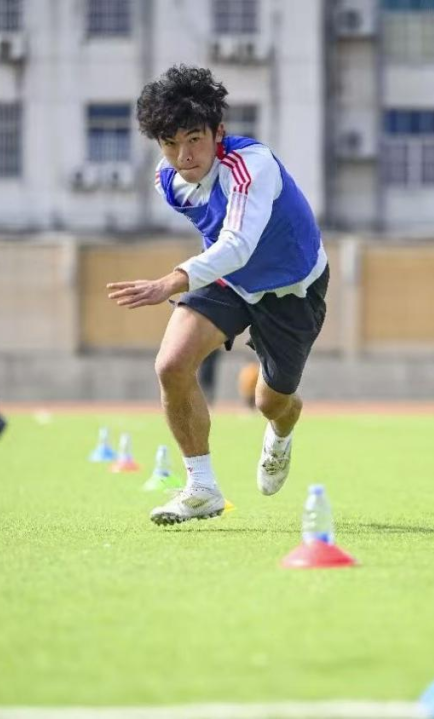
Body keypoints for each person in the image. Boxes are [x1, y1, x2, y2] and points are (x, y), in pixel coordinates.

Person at [106, 65, 329, 526]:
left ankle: (281, 433)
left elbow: (239, 243)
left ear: (218, 132)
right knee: (171, 364)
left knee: (271, 403)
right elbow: (220, 238)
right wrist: (199, 277)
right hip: (227, 279)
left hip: (291, 290)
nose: (183, 155)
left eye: (194, 139)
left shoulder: (252, 166)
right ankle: (201, 488)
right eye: (170, 143)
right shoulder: (168, 181)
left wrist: (169, 282)